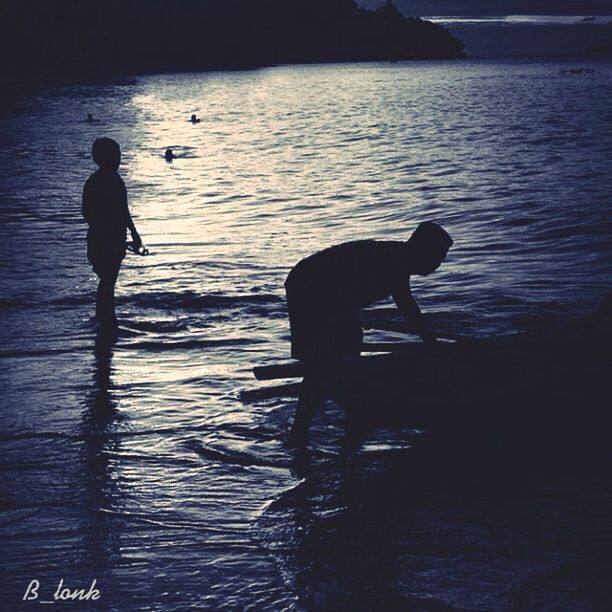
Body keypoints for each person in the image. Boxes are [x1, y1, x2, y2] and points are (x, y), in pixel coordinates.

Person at [284, 221, 453, 445]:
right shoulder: (394, 261)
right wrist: (429, 338)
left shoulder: (397, 260)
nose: (439, 264)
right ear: (423, 250)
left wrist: (427, 336)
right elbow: (405, 306)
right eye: (438, 257)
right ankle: (303, 430)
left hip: (322, 287)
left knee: (346, 345)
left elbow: (404, 306)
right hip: (306, 284)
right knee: (321, 362)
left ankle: (352, 414)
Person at [82, 137, 143, 328]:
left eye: (119, 156)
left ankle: (104, 319)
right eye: (116, 156)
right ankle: (106, 319)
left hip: (108, 238)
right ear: (103, 158)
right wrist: (128, 234)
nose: (119, 160)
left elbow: (122, 211)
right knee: (108, 281)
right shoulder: (106, 182)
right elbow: (90, 213)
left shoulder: (102, 181)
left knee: (107, 281)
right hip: (107, 239)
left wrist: (133, 234)